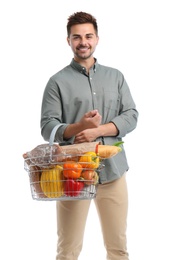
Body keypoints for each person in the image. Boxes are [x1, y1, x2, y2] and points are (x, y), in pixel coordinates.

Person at [40, 11, 138, 260]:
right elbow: (47, 126)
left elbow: (131, 115)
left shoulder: (116, 76)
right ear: (68, 41)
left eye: (88, 36)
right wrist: (77, 127)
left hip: (113, 171)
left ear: (96, 38)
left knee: (118, 248)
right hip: (72, 174)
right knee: (68, 250)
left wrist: (97, 131)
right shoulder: (57, 82)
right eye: (77, 37)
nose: (83, 41)